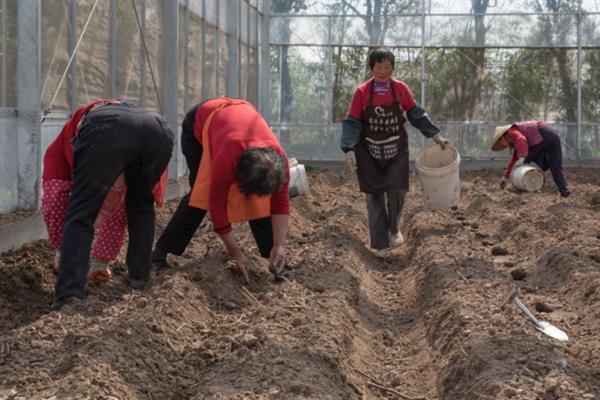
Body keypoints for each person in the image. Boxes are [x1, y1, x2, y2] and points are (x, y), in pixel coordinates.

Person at [43, 99, 173, 310]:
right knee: (140, 205)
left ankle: (69, 293)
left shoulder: (59, 151)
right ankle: (139, 276)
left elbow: (57, 199)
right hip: (157, 128)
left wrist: (62, 249)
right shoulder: (64, 146)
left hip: (108, 127)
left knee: (81, 214)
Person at [151, 97, 290, 283]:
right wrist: (235, 252)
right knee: (199, 197)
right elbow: (216, 208)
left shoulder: (278, 164)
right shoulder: (228, 158)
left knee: (260, 202)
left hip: (236, 117)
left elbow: (280, 205)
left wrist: (280, 245)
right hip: (198, 126)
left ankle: (273, 255)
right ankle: (160, 252)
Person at [341, 49, 447, 257]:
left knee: (398, 189)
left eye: (387, 67)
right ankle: (379, 244)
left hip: (395, 148)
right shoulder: (361, 92)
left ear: (393, 68)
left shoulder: (400, 89)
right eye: (379, 67)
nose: (383, 71)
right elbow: (352, 122)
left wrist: (435, 135)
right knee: (374, 195)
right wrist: (349, 149)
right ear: (371, 69)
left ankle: (393, 228)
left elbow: (415, 113)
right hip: (369, 151)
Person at [491, 121, 571, 197]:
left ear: (501, 138)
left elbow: (521, 139)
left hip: (542, 134)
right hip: (552, 134)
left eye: (500, 143)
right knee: (556, 167)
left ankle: (538, 172)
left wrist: (522, 158)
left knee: (527, 156)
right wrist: (505, 176)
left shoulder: (510, 132)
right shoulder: (514, 141)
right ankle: (565, 192)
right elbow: (514, 158)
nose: (503, 145)